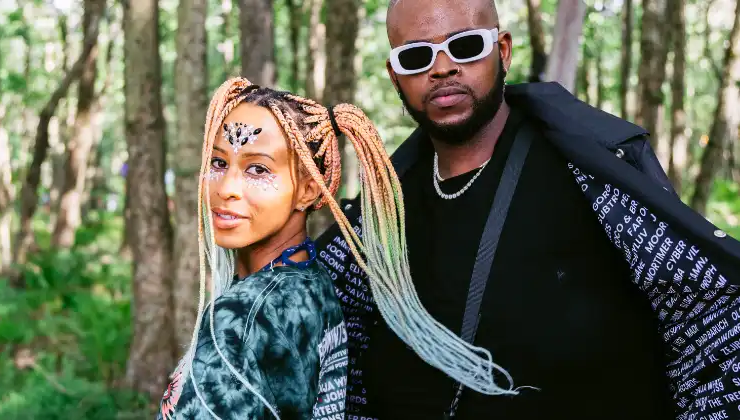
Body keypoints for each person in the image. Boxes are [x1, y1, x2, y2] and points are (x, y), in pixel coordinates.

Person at [315, 0, 740, 419]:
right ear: (395, 75)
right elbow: (338, 353)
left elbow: (708, 319)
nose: (442, 68)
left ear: (502, 51)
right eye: (416, 57)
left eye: (465, 46)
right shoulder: (378, 213)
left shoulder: (595, 179)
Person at [155, 77, 436, 420]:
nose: (226, 188)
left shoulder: (243, 316)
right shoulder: (313, 283)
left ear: (308, 189)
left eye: (257, 169)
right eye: (218, 163)